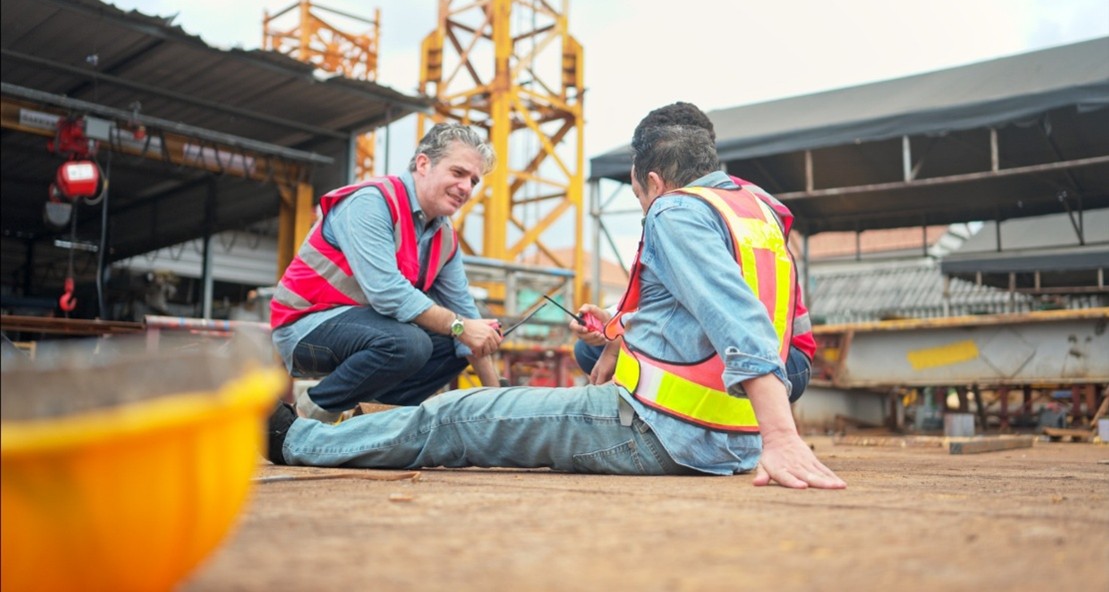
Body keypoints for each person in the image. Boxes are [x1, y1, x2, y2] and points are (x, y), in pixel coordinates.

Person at [263, 111, 846, 490]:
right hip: (727, 438)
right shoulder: (761, 213)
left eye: (640, 195)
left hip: (660, 429)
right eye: (458, 174)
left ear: (650, 180)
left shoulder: (675, 208)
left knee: (454, 415)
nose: (466, 189)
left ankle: (301, 439)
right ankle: (333, 417)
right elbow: (751, 324)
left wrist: (781, 436)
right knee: (439, 355)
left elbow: (732, 316)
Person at [571, 102, 815, 403]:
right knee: (598, 347)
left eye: (639, 194)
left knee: (603, 351)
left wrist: (621, 338)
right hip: (790, 354)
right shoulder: (751, 200)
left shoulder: (682, 213)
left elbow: (722, 308)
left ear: (654, 179)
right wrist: (612, 319)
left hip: (769, 357)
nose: (644, 205)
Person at [269, 123, 505, 422]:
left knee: (453, 344)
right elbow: (387, 292)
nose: (466, 188)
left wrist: (498, 401)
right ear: (423, 163)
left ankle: (367, 419)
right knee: (412, 342)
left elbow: (467, 319)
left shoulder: (444, 237)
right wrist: (461, 327)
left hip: (370, 331)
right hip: (306, 328)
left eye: (474, 181)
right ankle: (305, 419)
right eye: (458, 173)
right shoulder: (371, 202)